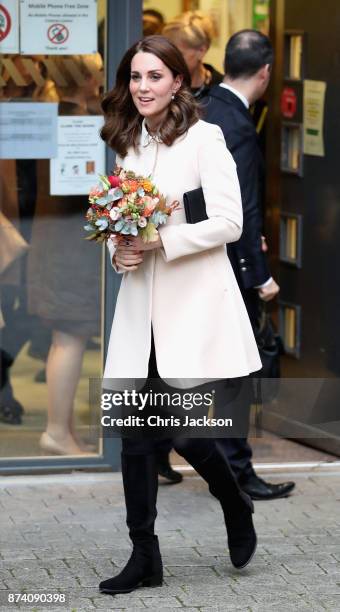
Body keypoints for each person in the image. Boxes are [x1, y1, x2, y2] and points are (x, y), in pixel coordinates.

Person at [98, 35, 262, 596]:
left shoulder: (206, 138)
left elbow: (229, 222)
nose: (143, 87)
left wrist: (161, 241)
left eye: (154, 77)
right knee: (136, 437)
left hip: (189, 308)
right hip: (139, 311)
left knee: (191, 437)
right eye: (135, 77)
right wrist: (119, 251)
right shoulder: (128, 144)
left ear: (177, 82)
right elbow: (122, 227)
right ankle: (144, 556)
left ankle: (234, 503)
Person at [204, 30, 295, 500]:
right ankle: (237, 474)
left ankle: (165, 452)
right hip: (224, 264)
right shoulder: (237, 124)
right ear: (264, 73)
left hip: (197, 257)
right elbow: (241, 206)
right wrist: (259, 274)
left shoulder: (205, 105)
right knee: (235, 370)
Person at [27, 54, 103, 455]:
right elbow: (84, 190)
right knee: (69, 336)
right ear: (87, 78)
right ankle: (58, 431)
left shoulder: (52, 111)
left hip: (57, 240)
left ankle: (65, 430)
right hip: (68, 245)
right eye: (99, 71)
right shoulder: (75, 119)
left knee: (66, 336)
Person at [163, 11, 223, 100]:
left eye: (179, 55)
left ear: (202, 51)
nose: (170, 61)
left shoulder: (222, 90)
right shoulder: (163, 85)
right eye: (168, 53)